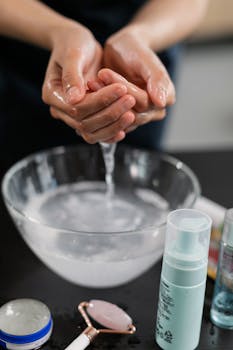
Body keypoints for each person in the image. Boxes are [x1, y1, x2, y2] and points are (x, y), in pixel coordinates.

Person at [0, 0, 208, 161]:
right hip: (23, 56)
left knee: (133, 167)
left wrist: (141, 36)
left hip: (140, 65)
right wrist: (60, 32)